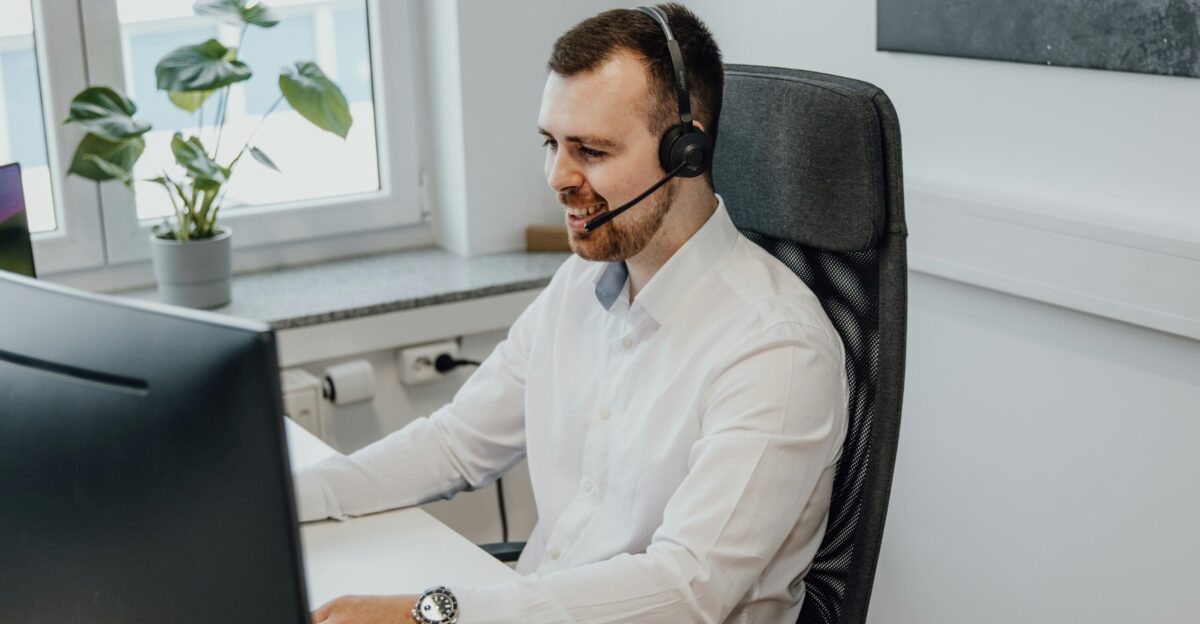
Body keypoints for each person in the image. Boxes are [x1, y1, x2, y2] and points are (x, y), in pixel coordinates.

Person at [300, 4, 847, 623]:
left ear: (685, 152)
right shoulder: (579, 283)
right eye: (551, 143)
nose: (557, 177)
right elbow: (456, 445)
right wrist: (284, 498)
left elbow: (688, 588)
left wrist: (427, 614)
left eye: (589, 149)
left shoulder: (777, 348)